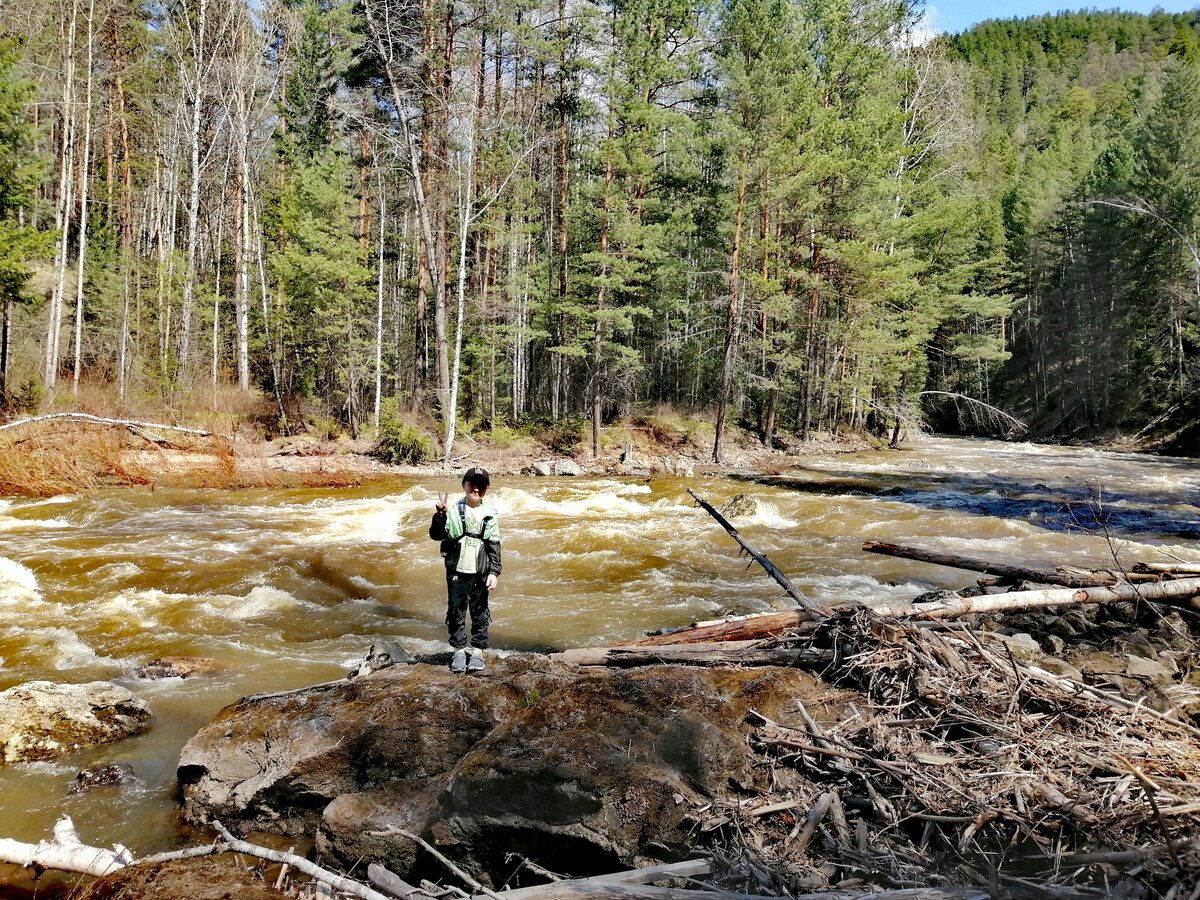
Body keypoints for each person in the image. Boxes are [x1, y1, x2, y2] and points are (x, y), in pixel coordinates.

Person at [429, 467, 502, 673]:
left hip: (481, 571)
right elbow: (436, 535)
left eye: (481, 485)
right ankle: (459, 650)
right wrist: (439, 516)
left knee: (480, 612)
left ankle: (478, 651)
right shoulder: (451, 510)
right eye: (472, 483)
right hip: (457, 570)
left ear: (486, 489)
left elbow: (494, 545)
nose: (476, 488)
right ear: (464, 485)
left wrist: (494, 572)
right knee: (456, 610)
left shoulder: (490, 513)